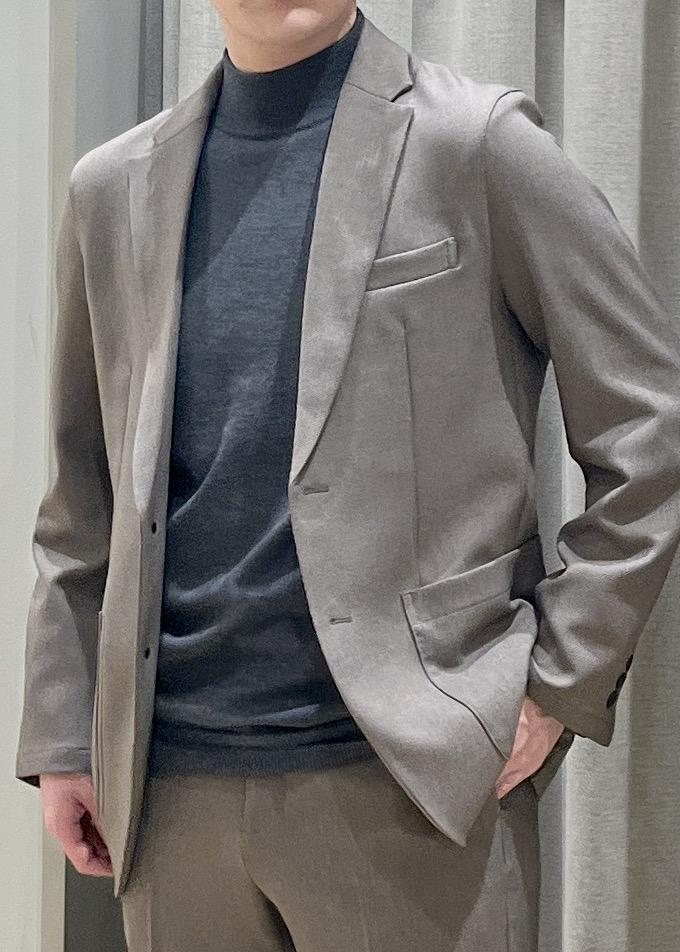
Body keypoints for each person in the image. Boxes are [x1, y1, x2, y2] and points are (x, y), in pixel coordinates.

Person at [15, 3, 680, 950]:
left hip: (409, 791)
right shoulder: (112, 189)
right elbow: (84, 497)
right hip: (170, 800)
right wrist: (61, 733)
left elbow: (648, 427)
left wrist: (559, 683)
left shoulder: (476, 143)